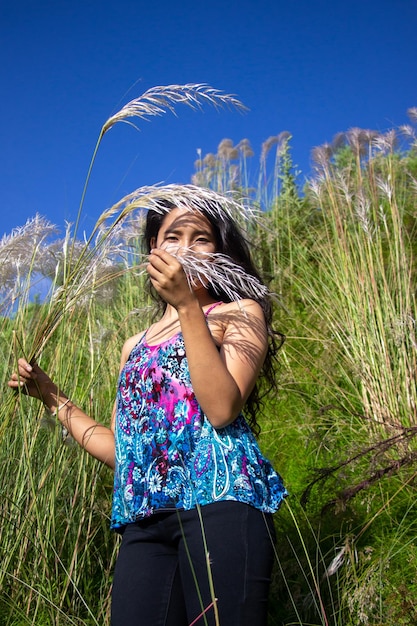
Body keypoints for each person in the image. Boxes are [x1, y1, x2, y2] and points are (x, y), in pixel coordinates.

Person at [8, 198, 287, 626]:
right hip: (145, 522)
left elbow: (221, 409)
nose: (186, 249)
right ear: (153, 249)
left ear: (221, 253)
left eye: (202, 239)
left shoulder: (239, 314)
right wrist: (51, 397)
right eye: (172, 237)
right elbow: (126, 452)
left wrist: (188, 308)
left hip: (222, 504)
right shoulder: (134, 345)